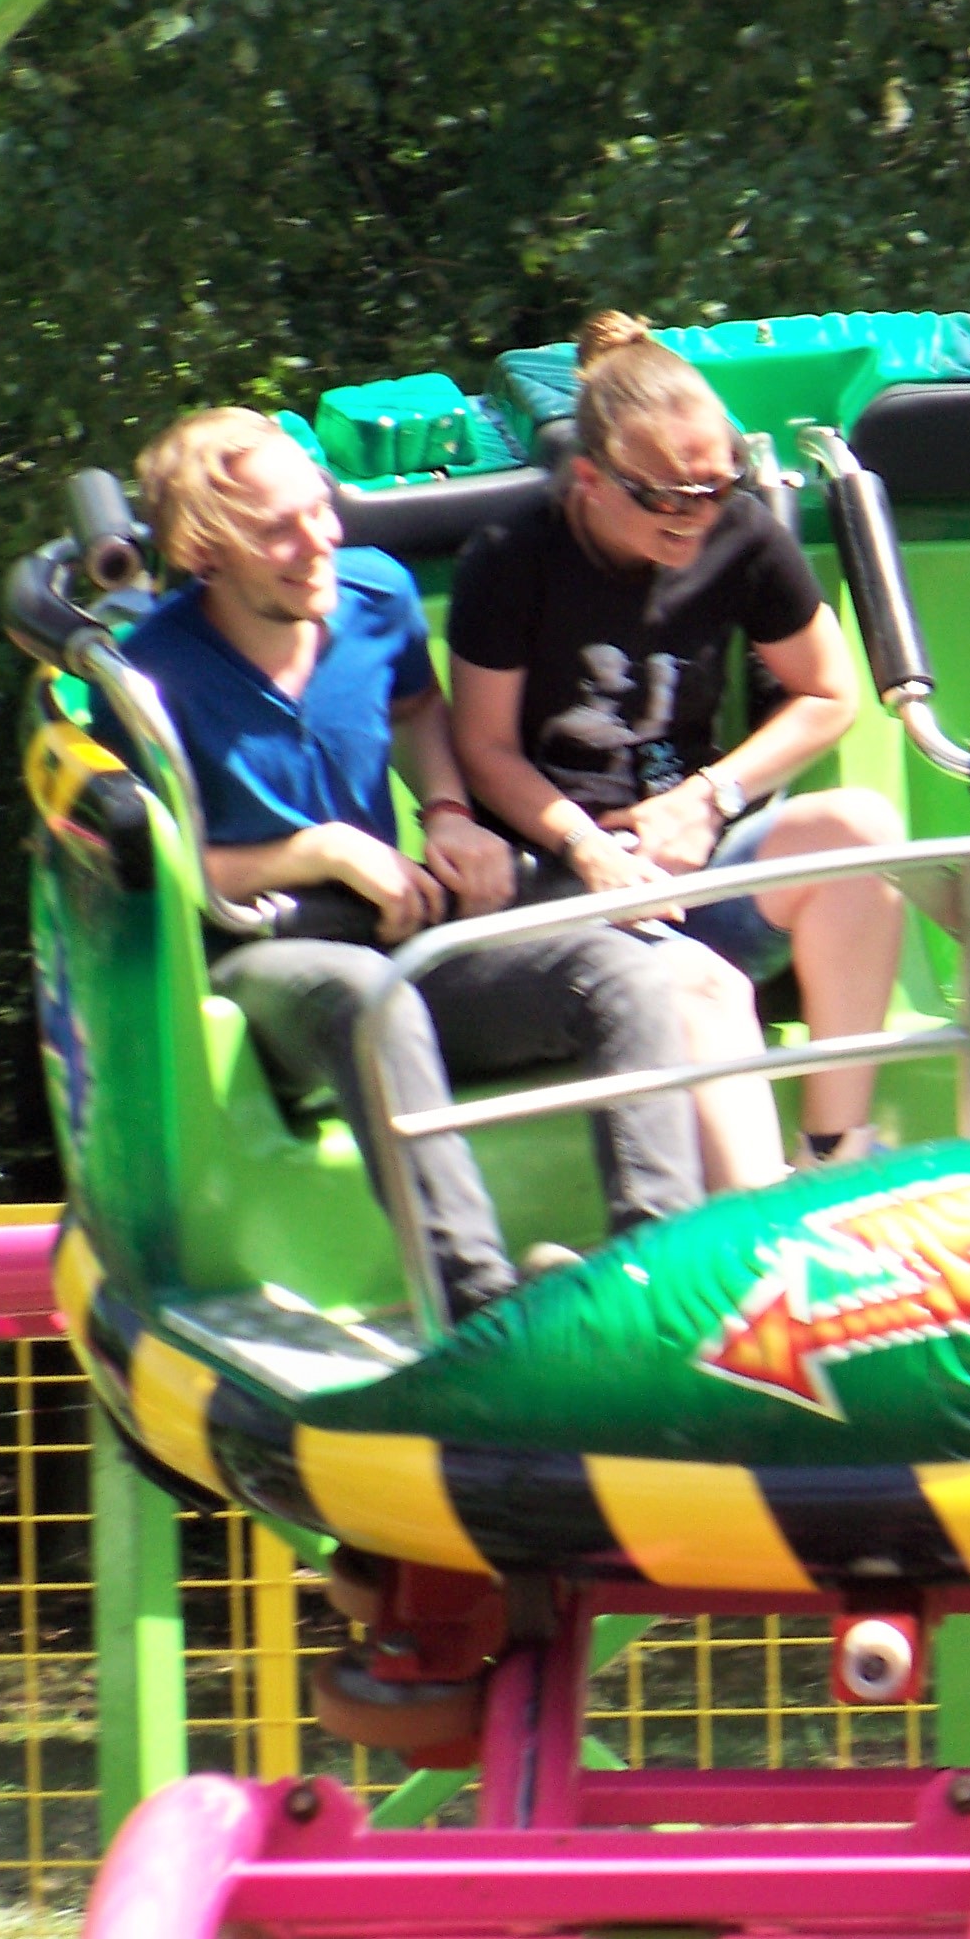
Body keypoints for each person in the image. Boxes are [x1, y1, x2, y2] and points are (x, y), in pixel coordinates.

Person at [113, 408, 757, 1318]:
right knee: (370, 1001)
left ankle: (655, 1280)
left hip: (398, 932)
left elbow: (418, 709)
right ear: (205, 551)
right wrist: (320, 850)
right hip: (268, 958)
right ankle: (476, 1306)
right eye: (277, 531)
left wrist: (447, 812)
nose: (318, 542)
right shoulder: (151, 676)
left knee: (624, 971)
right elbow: (166, 873)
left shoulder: (375, 593)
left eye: (320, 509)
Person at [449, 312, 908, 1170]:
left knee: (863, 830)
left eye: (718, 486)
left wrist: (709, 798)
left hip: (691, 858)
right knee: (705, 988)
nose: (695, 516)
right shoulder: (512, 556)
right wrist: (588, 848)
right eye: (666, 497)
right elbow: (484, 747)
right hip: (559, 881)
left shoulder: (741, 534)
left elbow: (829, 692)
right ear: (592, 479)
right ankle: (756, 1227)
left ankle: (835, 1148)